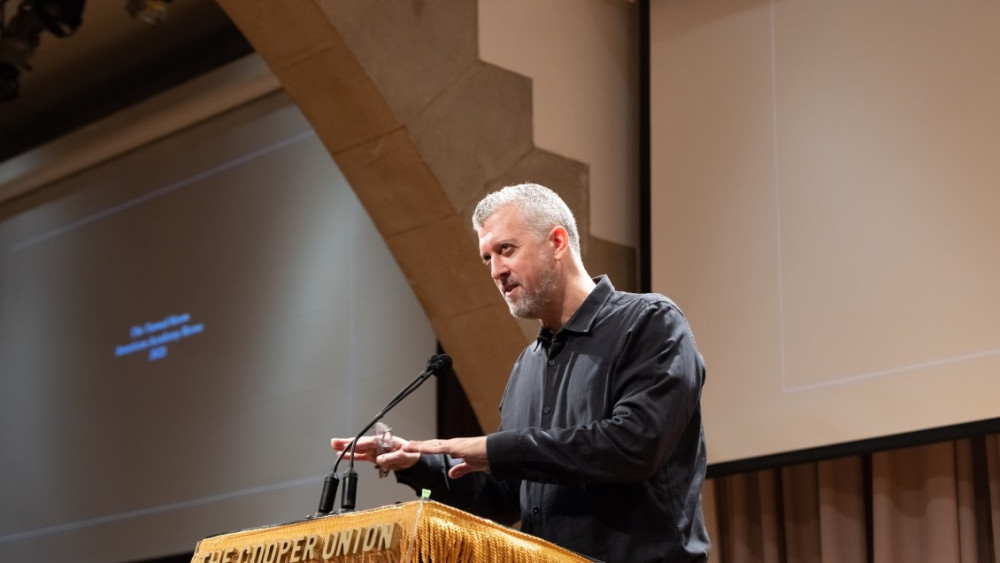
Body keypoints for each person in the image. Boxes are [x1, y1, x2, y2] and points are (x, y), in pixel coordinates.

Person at [333, 183, 710, 562]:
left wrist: (495, 449)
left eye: (506, 250)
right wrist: (419, 466)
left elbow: (634, 445)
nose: (496, 271)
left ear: (558, 242)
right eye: (487, 258)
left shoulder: (648, 322)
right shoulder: (526, 366)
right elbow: (506, 498)